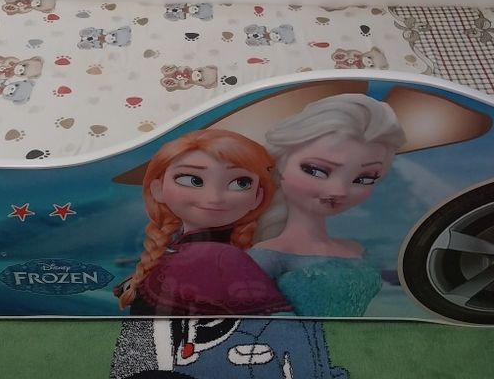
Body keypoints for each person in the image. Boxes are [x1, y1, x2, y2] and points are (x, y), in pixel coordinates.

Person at [251, 94, 406, 316]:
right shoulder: (267, 257)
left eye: (364, 179)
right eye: (316, 171)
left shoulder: (360, 251)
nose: (339, 191)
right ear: (279, 164)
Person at [116, 129, 291, 315]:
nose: (215, 198)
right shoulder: (176, 252)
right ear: (158, 189)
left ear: (257, 196)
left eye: (240, 183)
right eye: (192, 180)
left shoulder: (224, 257)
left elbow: (277, 323)